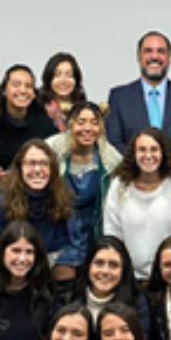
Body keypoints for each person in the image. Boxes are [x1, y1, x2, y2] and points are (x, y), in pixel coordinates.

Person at [104, 129, 171, 281]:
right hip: (127, 277)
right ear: (134, 154)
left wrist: (168, 268)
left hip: (169, 276)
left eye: (154, 149)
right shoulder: (118, 185)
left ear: (164, 152)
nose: (148, 155)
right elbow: (112, 232)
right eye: (142, 150)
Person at [47, 101, 122, 282]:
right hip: (59, 230)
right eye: (81, 122)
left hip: (93, 231)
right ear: (70, 124)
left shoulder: (111, 159)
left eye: (94, 122)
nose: (87, 128)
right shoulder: (51, 150)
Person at [105, 30, 171, 157]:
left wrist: (168, 163)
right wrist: (144, 162)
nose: (154, 56)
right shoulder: (119, 97)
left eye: (161, 51)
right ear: (138, 57)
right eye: (148, 51)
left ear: (169, 58)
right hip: (133, 174)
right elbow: (114, 143)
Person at [0, 139, 73, 265]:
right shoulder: (0, 201)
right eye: (31, 163)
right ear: (20, 168)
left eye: (44, 164)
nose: (37, 169)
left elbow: (54, 252)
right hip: (2, 271)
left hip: (42, 270)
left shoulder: (60, 198)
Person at [69, 236, 152, 330]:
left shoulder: (138, 303)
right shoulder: (67, 299)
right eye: (99, 263)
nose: (105, 271)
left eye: (113, 265)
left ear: (124, 271)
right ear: (88, 266)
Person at [0, 64, 58, 170]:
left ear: (34, 93)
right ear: (4, 90)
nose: (23, 90)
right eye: (16, 85)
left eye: (28, 86)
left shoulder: (44, 120)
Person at [40, 52, 86, 132]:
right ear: (49, 79)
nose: (63, 81)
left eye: (69, 75)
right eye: (57, 75)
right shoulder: (39, 109)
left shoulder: (84, 108)